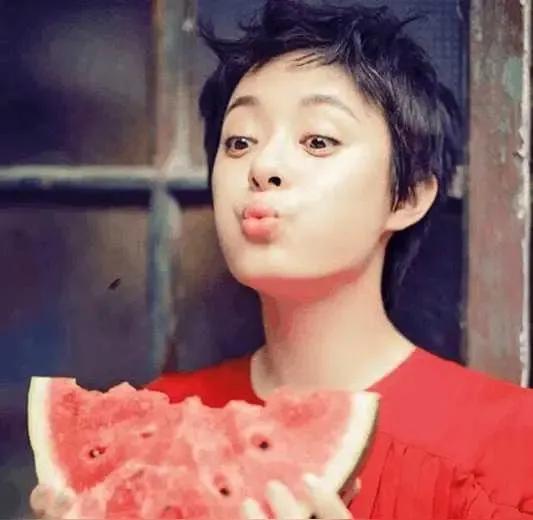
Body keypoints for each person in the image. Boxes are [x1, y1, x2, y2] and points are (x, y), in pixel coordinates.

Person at [30, 1, 533, 518]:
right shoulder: (163, 417)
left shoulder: (513, 440)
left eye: (318, 141)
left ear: (406, 197)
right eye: (239, 142)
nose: (263, 164)